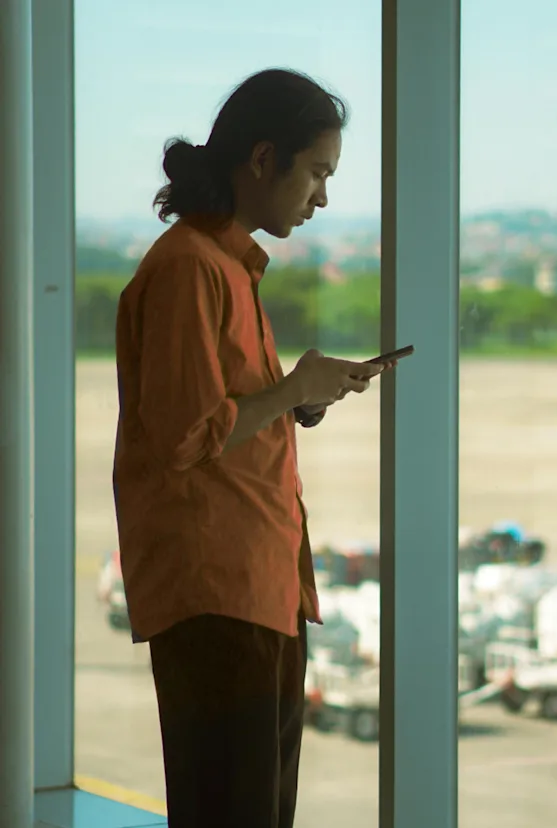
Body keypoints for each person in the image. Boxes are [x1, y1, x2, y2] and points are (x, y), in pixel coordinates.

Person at [112, 68, 387, 828]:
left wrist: (295, 400)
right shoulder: (190, 270)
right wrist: (293, 390)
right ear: (264, 158)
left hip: (259, 587)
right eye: (317, 172)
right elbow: (184, 438)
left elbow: (225, 417)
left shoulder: (229, 267)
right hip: (218, 592)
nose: (322, 197)